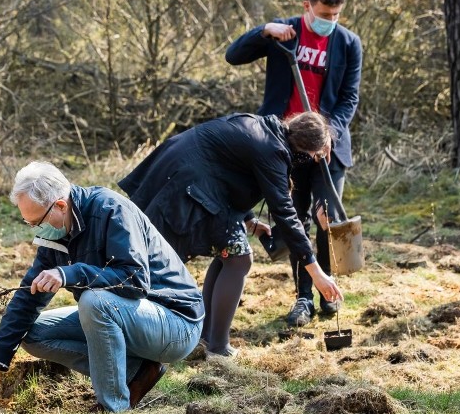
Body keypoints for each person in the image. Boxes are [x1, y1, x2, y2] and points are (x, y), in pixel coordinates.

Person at [0, 161, 204, 413]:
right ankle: (138, 371)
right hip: (131, 319)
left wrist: (71, 273)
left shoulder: (112, 210)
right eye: (29, 224)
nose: (37, 231)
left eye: (37, 222)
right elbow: (28, 299)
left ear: (60, 205)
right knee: (33, 333)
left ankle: (113, 407)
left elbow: (135, 281)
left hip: (176, 324)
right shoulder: (54, 236)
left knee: (94, 302)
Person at [119, 112, 344, 358]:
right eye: (314, 156)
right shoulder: (273, 150)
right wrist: (316, 272)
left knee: (230, 257)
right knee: (237, 259)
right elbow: (285, 214)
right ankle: (216, 346)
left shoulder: (264, 129)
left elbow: (229, 167)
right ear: (304, 147)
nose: (312, 160)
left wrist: (248, 218)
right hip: (189, 185)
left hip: (187, 173)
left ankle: (204, 338)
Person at [225, 0, 362, 327]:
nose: (330, 21)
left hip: (329, 148)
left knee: (326, 220)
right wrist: (263, 30)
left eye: (336, 15)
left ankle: (328, 294)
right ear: (306, 6)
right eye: (324, 14)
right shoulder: (284, 33)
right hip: (284, 146)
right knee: (295, 221)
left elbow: (349, 98)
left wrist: (329, 132)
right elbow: (233, 56)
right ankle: (303, 299)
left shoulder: (348, 44)